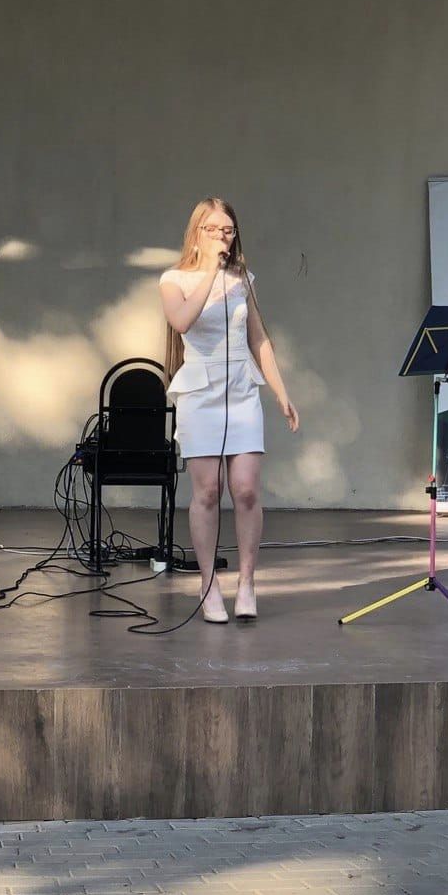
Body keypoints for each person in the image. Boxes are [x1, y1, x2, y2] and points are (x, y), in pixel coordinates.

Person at [159, 198, 299, 624]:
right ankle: (208, 585)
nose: (223, 236)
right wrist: (211, 273)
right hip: (200, 392)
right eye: (214, 229)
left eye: (228, 230)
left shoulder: (243, 280)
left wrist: (281, 392)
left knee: (246, 489)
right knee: (207, 491)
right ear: (197, 233)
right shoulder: (174, 280)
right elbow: (182, 321)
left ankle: (247, 582)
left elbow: (259, 339)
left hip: (241, 389)